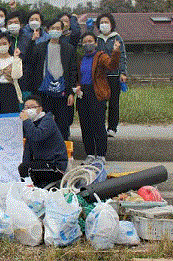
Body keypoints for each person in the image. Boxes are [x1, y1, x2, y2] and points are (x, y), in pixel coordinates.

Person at [25, 18, 78, 140]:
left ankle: (63, 152)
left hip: (62, 93)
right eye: (52, 28)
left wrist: (70, 92)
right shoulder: (40, 47)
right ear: (48, 30)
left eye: (58, 28)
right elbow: (29, 63)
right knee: (43, 123)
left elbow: (72, 71)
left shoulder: (68, 49)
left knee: (63, 124)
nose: (55, 30)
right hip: (43, 93)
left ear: (62, 30)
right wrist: (32, 41)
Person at [75, 33, 121, 165]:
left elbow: (112, 65)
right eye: (85, 41)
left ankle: (100, 155)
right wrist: (77, 86)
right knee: (85, 125)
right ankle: (89, 154)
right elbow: (79, 77)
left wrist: (116, 51)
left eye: (90, 41)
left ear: (95, 43)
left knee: (98, 125)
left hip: (97, 93)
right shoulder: (81, 58)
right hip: (82, 94)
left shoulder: (100, 56)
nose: (87, 43)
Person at [18, 95, 68, 188]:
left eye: (32, 107)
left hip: (55, 165)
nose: (29, 110)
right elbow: (28, 150)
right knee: (24, 167)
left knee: (26, 168)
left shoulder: (47, 120)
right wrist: (24, 165)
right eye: (26, 108)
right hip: (42, 163)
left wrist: (26, 120)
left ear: (40, 109)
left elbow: (37, 135)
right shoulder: (31, 124)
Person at [95, 13, 127, 137]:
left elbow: (122, 55)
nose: (104, 24)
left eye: (106, 22)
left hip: (114, 75)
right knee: (101, 103)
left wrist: (123, 72)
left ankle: (112, 128)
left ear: (111, 24)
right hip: (101, 77)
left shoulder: (117, 38)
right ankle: (100, 127)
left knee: (114, 103)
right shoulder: (97, 39)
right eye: (101, 22)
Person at [0, 32, 23, 114]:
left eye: (4, 43)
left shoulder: (15, 60)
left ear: (9, 44)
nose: (2, 46)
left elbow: (17, 76)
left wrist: (16, 58)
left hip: (10, 91)